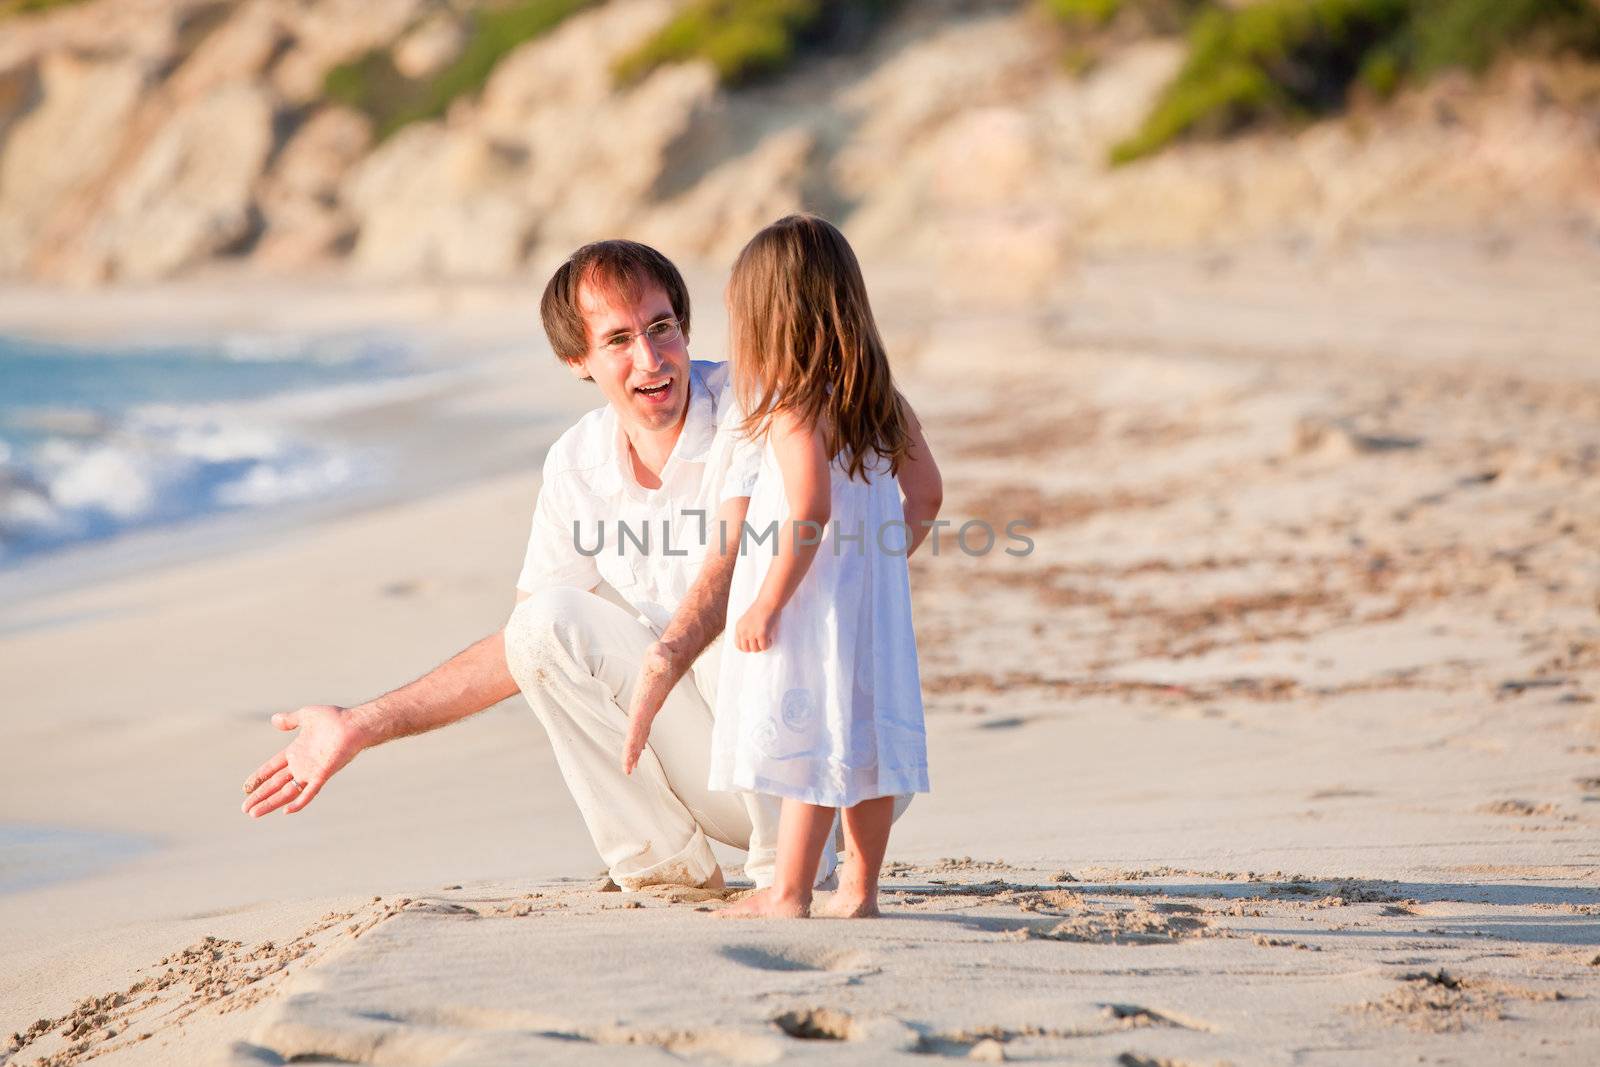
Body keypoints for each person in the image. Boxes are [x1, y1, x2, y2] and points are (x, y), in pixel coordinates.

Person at [239, 239, 864, 892]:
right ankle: (664, 874)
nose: (651, 359)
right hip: (725, 769)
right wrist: (360, 722)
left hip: (831, 763)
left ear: (684, 327)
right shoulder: (578, 461)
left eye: (661, 328)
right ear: (578, 359)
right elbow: (526, 648)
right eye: (618, 339)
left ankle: (789, 875)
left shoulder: (756, 405)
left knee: (745, 606)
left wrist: (671, 648)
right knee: (542, 625)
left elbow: (745, 558)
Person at [622, 215, 944, 918]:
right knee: (864, 747)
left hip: (803, 607)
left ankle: (790, 890)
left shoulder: (792, 407)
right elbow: (925, 495)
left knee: (808, 745)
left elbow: (808, 507)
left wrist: (768, 600)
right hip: (864, 611)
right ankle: (858, 888)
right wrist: (875, 571)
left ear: (769, 319)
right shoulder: (880, 400)